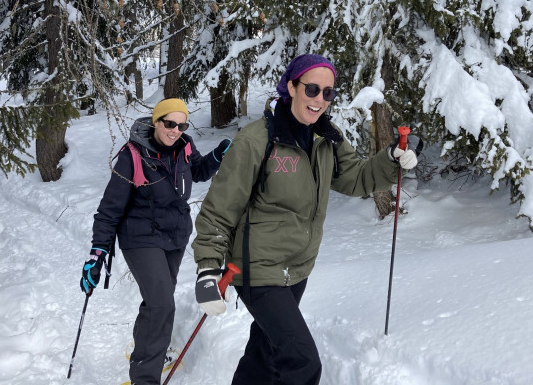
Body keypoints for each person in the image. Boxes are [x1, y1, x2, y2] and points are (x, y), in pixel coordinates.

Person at [191, 54, 417, 385]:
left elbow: (355, 178)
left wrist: (391, 160)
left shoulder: (326, 137)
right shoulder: (257, 140)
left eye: (328, 93)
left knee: (266, 353)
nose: (319, 99)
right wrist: (208, 268)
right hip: (256, 269)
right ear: (292, 87)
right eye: (312, 89)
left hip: (297, 268)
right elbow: (220, 208)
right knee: (303, 363)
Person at [80, 98, 231, 385]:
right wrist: (97, 252)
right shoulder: (133, 155)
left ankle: (149, 351)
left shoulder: (185, 147)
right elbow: (110, 208)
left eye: (182, 125)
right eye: (169, 123)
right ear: (156, 122)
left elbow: (197, 172)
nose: (175, 130)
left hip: (175, 236)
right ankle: (144, 378)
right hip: (140, 237)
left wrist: (216, 156)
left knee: (158, 301)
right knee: (161, 303)